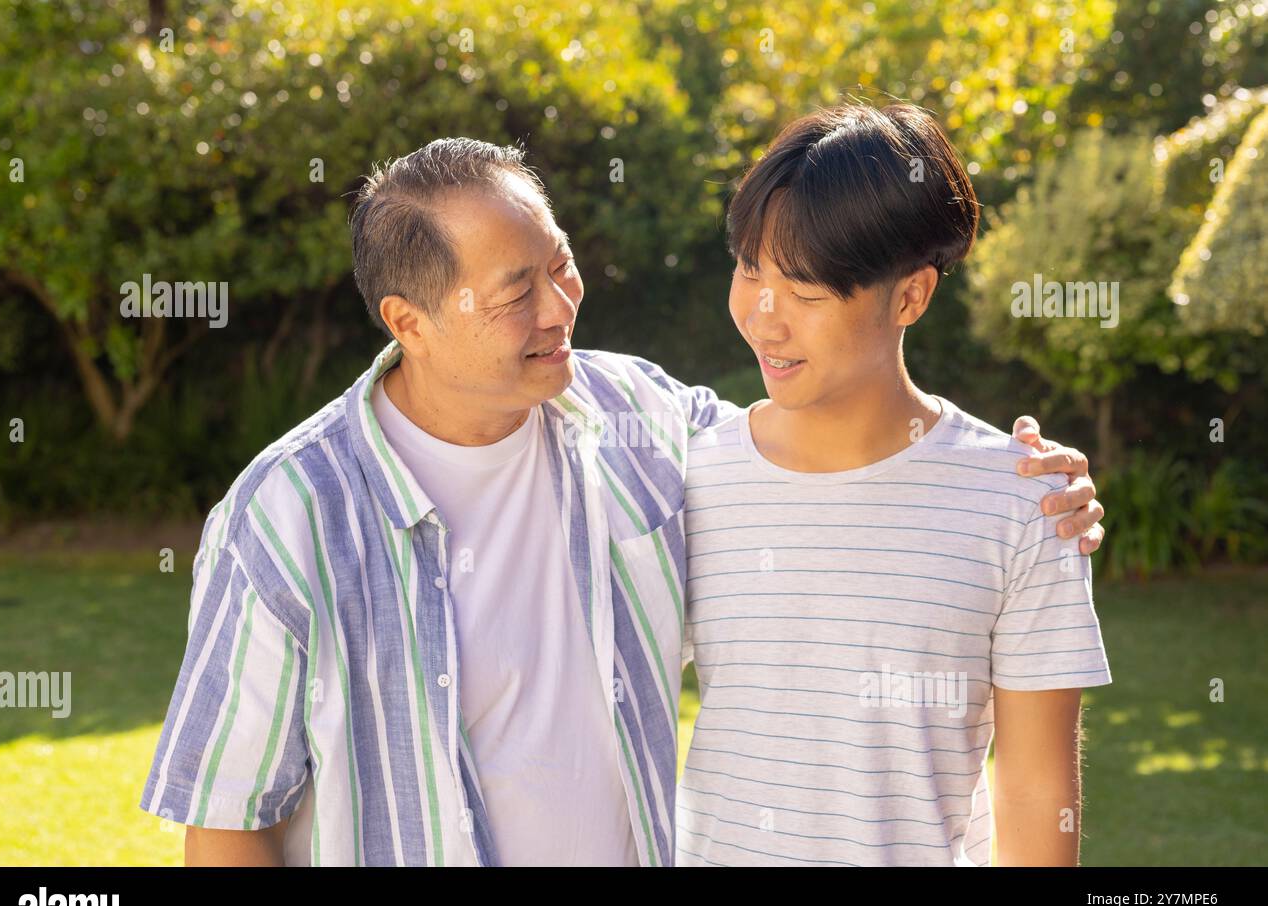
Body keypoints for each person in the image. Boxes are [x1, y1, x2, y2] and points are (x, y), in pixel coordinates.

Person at [139, 137, 1105, 865]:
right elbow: (229, 817)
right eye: (517, 292)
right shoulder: (289, 515)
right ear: (409, 322)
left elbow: (825, 455)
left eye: (560, 263)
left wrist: (1030, 489)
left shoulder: (641, 420)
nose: (561, 306)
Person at [676, 104, 1110, 867]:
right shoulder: (688, 478)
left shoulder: (1026, 502)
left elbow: (1036, 791)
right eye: (750, 270)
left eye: (806, 294)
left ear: (909, 296)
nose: (764, 318)